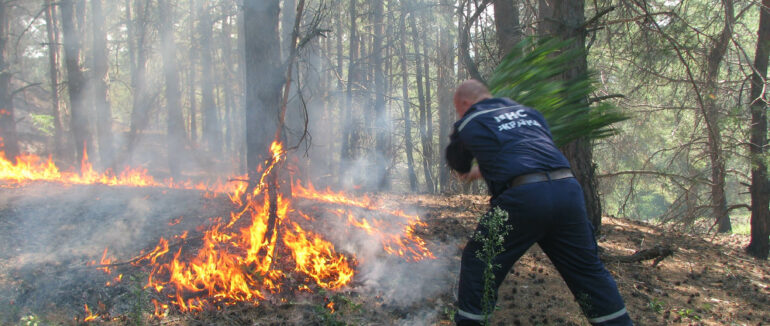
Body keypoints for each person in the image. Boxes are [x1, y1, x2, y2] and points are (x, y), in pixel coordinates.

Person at [446, 80, 633, 326]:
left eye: (459, 109)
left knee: (479, 262)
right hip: (568, 192)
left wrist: (467, 168)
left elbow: (458, 162)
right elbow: (528, 154)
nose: (460, 114)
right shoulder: (531, 113)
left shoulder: (471, 120)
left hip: (524, 200)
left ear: (465, 103)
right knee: (588, 273)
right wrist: (487, 170)